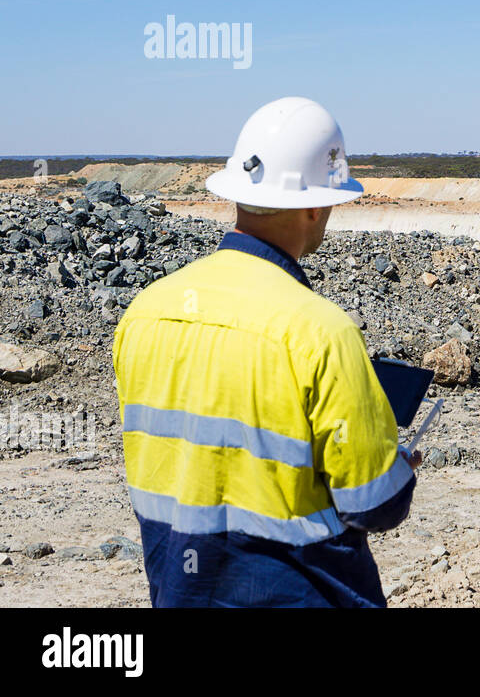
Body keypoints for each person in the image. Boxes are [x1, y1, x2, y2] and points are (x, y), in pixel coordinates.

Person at [112, 97, 419, 607]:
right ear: (316, 205)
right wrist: (401, 468)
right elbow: (373, 504)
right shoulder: (320, 331)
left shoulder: (145, 313)